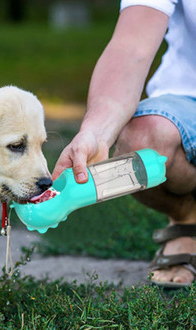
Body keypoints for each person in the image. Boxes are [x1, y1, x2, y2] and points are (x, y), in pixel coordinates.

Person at [52, 0, 196, 287]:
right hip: (187, 98)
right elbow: (131, 48)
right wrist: (96, 132)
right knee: (141, 141)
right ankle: (188, 222)